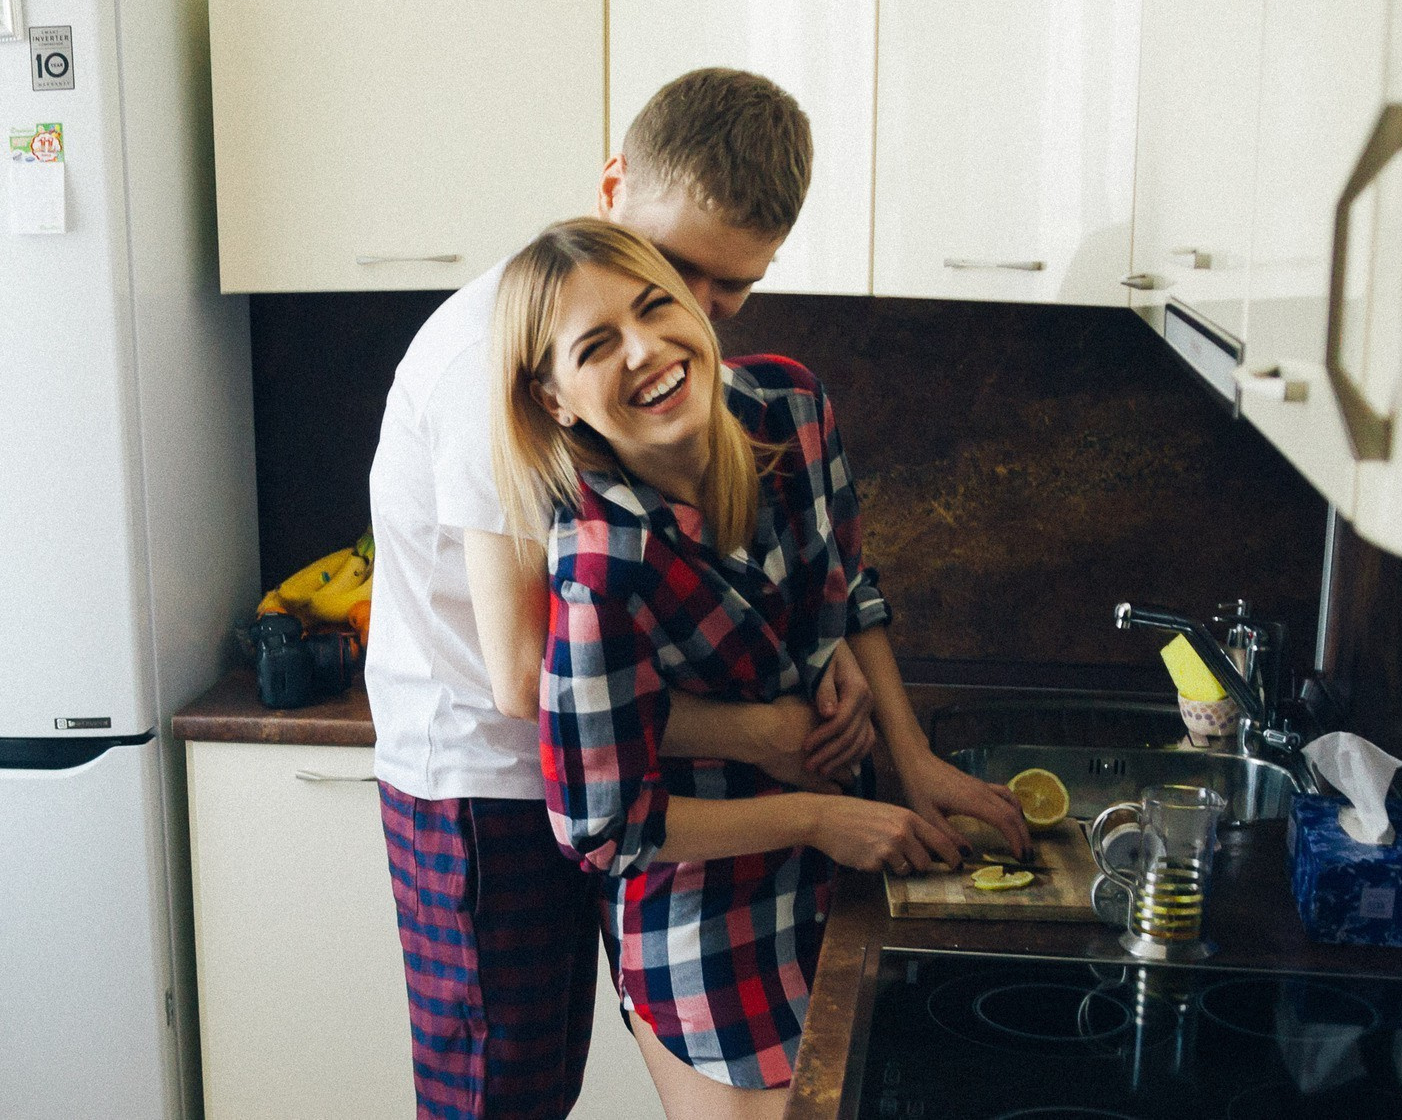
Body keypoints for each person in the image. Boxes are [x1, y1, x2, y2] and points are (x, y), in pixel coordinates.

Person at [367, 68, 1021, 1118]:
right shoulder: (500, 376)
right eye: (682, 270)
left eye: (731, 290)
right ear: (613, 184)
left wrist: (851, 683)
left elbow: (828, 570)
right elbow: (524, 679)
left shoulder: (765, 399)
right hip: (483, 775)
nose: (702, 323)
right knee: (507, 1095)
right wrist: (765, 735)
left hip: (653, 789)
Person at [491, 219, 1019, 1117]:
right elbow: (602, 828)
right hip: (708, 923)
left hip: (846, 862)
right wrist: (819, 816)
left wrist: (913, 758)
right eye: (597, 345)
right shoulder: (601, 559)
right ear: (555, 400)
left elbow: (851, 586)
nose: (647, 349)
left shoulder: (792, 403)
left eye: (656, 306)